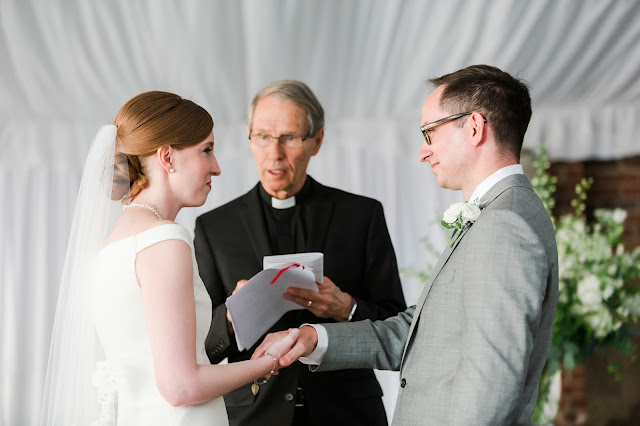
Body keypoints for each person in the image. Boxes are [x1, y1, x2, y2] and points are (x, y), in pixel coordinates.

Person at [255, 65, 560, 425]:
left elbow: (491, 384)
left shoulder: (504, 226)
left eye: (429, 133)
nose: (422, 151)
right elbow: (419, 331)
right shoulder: (505, 211)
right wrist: (314, 337)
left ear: (475, 128)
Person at [40, 91, 299, 426]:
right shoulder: (166, 240)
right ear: (167, 157)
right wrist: (268, 361)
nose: (216, 167)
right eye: (206, 149)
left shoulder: (114, 242)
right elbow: (181, 387)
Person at [194, 80, 406, 425]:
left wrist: (346, 308)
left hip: (348, 413)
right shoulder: (214, 226)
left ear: (316, 141)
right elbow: (200, 342)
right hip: (253, 414)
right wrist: (232, 318)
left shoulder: (361, 216)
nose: (274, 153)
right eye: (263, 136)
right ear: (249, 138)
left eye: (289, 138)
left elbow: (395, 321)